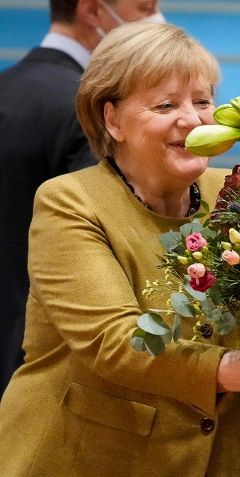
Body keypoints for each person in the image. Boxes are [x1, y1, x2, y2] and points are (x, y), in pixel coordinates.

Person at [0, 23, 240, 477]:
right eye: (166, 105)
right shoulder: (70, 201)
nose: (193, 119)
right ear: (112, 120)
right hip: (93, 458)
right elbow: (116, 344)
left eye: (202, 101)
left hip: (232, 457)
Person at [0, 0, 165, 396]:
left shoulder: (8, 86)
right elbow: (105, 232)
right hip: (56, 353)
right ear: (93, 12)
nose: (157, 22)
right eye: (145, 9)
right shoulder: (92, 110)